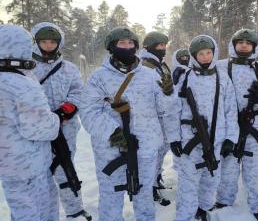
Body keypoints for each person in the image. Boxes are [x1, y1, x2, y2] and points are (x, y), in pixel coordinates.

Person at [80, 27, 180, 221]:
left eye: (131, 43)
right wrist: (115, 134)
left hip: (146, 147)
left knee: (144, 197)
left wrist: (168, 94)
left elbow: (165, 110)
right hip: (111, 149)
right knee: (111, 196)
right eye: (122, 43)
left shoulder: (149, 75)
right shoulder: (98, 77)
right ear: (112, 47)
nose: (127, 47)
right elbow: (89, 112)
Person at [215, 29, 258, 221]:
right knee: (228, 166)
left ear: (254, 46)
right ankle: (224, 200)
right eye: (240, 42)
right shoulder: (220, 67)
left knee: (255, 170)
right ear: (233, 45)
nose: (244, 45)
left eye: (248, 43)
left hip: (256, 127)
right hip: (229, 127)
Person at [173, 35, 239, 221]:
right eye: (200, 54)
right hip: (190, 141)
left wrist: (230, 139)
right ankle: (184, 216)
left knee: (211, 179)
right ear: (194, 56)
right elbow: (173, 111)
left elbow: (230, 110)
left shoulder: (222, 77)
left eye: (208, 52)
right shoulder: (186, 78)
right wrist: (174, 138)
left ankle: (202, 209)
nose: (205, 57)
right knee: (188, 184)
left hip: (216, 139)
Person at [30, 22, 92, 220]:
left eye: (52, 42)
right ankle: (46, 215)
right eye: (44, 41)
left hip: (66, 129)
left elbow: (78, 92)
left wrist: (63, 113)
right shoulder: (26, 67)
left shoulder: (69, 68)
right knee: (41, 175)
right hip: (35, 131)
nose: (48, 45)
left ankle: (75, 210)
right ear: (36, 42)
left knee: (65, 168)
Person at [0, 24, 60, 221]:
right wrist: (55, 118)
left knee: (21, 212)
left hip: (9, 164)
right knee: (37, 214)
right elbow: (44, 129)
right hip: (29, 167)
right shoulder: (21, 84)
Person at [139, 31, 172, 206]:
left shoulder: (160, 64)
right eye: (159, 45)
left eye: (164, 45)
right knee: (154, 153)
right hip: (153, 118)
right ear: (150, 47)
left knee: (162, 150)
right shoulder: (146, 66)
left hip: (164, 116)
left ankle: (156, 177)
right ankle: (150, 188)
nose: (163, 48)